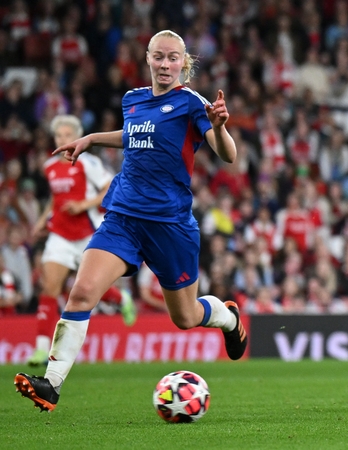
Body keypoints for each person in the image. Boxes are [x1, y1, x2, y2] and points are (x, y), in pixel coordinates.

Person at [14, 30, 248, 412]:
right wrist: (91, 139)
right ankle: (51, 384)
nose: (165, 64)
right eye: (159, 56)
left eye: (173, 58)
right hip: (123, 217)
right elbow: (135, 135)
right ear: (148, 58)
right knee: (82, 291)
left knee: (185, 316)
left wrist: (219, 126)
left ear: (184, 63)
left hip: (169, 224)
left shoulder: (192, 103)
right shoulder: (132, 100)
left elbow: (229, 155)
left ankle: (227, 317)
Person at [26, 115, 137, 367]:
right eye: (59, 135)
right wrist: (42, 220)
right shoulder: (49, 166)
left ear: (77, 136)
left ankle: (122, 299)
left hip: (88, 233)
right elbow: (55, 200)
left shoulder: (88, 163)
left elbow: (109, 188)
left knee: (87, 289)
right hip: (60, 235)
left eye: (67, 135)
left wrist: (83, 205)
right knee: (50, 287)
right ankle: (41, 349)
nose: (62, 139)